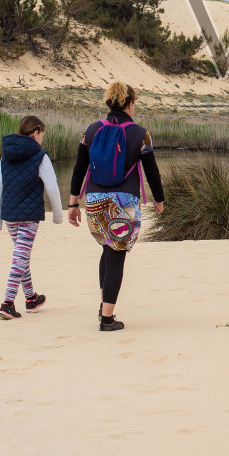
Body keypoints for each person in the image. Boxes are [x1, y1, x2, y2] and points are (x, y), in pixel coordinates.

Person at [67, 81, 164, 332]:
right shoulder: (140, 133)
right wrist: (159, 200)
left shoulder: (90, 130)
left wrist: (72, 202)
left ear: (108, 103)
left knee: (106, 249)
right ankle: (107, 319)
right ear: (131, 104)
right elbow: (152, 172)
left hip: (95, 199)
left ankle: (103, 307)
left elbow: (80, 168)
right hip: (124, 201)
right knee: (116, 254)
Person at [0, 115, 64, 320]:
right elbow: (52, 187)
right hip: (29, 216)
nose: (43, 139)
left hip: (10, 214)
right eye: (42, 134)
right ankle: (7, 303)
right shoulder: (41, 157)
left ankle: (31, 298)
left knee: (21, 256)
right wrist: (58, 216)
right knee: (20, 257)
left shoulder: (6, 157)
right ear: (35, 133)